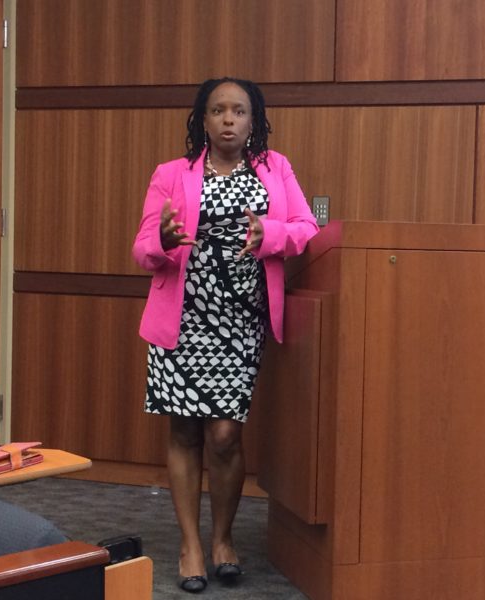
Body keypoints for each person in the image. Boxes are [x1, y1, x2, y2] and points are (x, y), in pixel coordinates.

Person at [132, 77, 318, 593]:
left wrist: (271, 234)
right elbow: (143, 246)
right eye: (218, 111)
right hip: (183, 319)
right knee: (185, 430)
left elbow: (306, 227)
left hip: (241, 320)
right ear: (203, 120)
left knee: (224, 433)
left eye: (239, 111)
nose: (229, 119)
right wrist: (164, 240)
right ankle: (193, 546)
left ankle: (223, 538)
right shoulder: (172, 174)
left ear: (253, 119)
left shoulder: (274, 169)